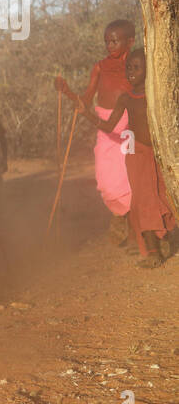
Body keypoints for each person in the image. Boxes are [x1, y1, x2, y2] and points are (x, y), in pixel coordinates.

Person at [79, 48, 175, 267]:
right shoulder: (126, 98)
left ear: (149, 70)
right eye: (128, 67)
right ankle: (152, 252)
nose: (131, 71)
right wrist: (86, 114)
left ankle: (164, 237)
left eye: (136, 67)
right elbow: (109, 125)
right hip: (137, 155)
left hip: (159, 155)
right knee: (142, 201)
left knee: (163, 198)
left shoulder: (157, 95)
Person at [56, 19, 135, 243]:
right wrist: (68, 91)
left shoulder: (136, 64)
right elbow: (86, 101)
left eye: (114, 41)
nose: (109, 45)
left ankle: (135, 228)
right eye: (107, 41)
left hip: (131, 128)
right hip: (106, 130)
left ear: (130, 41)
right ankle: (122, 215)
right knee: (105, 181)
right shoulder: (99, 67)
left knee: (132, 180)